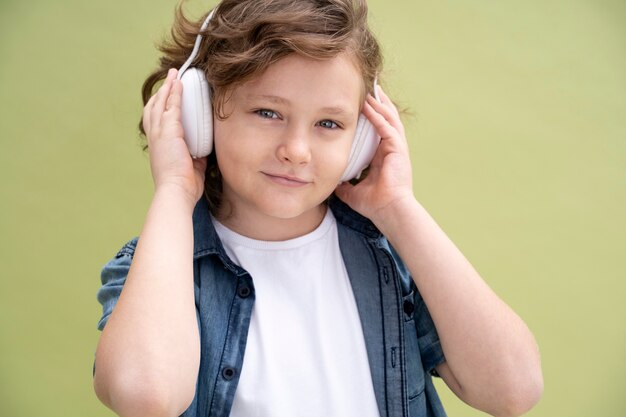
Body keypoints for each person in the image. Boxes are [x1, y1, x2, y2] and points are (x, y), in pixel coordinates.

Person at [93, 1, 543, 416]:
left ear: (362, 139)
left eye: (329, 123)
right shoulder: (153, 271)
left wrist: (398, 207)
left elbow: (514, 389)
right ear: (200, 113)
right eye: (268, 112)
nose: (297, 150)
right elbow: (145, 395)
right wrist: (173, 188)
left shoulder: (391, 260)